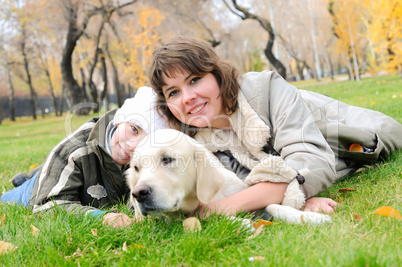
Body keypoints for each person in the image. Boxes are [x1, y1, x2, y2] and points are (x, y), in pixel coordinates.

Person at [148, 36, 402, 217]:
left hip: (348, 131)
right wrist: (298, 198)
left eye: (194, 80)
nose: (187, 98)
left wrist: (218, 209)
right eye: (173, 92)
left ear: (216, 74)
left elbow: (310, 158)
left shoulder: (265, 88)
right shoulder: (193, 141)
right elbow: (242, 186)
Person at [1, 87, 167, 227]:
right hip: (37, 189)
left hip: (86, 185)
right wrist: (100, 217)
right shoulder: (75, 150)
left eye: (145, 141)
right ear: (119, 120)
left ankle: (33, 174)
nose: (133, 146)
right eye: (134, 129)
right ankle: (30, 180)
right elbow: (47, 205)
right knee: (9, 199)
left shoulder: (146, 159)